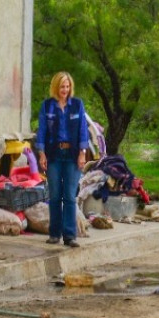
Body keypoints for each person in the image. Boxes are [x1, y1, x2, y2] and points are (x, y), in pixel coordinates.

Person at [34, 72, 91, 248]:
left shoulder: (77, 105)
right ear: (56, 87)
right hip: (54, 156)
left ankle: (69, 235)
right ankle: (54, 233)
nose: (64, 90)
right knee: (55, 195)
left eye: (67, 86)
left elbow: (83, 130)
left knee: (69, 196)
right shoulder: (47, 106)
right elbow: (42, 131)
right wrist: (42, 154)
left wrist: (82, 153)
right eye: (61, 87)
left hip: (72, 155)